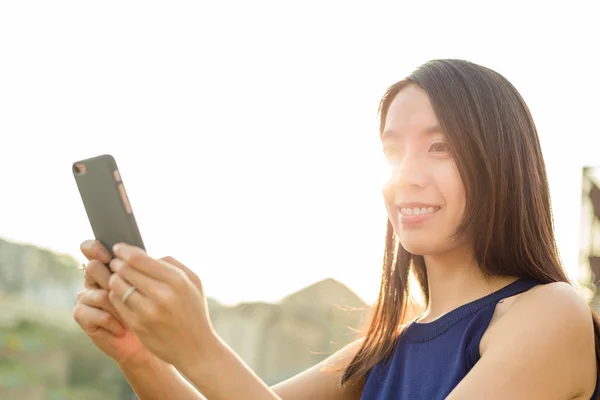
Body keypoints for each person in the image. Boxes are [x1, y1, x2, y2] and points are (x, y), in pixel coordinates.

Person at [73, 59, 600, 400]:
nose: (406, 176)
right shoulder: (385, 349)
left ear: (501, 163)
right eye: (393, 151)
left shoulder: (550, 315)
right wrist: (140, 357)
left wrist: (198, 348)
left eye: (440, 147)